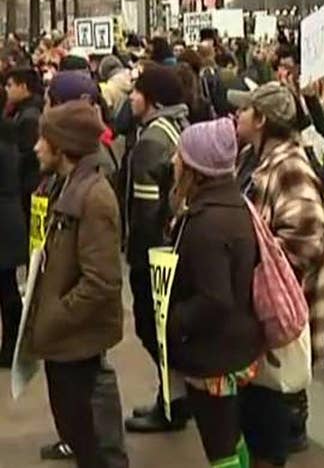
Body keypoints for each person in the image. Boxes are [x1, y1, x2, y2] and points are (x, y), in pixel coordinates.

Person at [231, 82, 324, 465]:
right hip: (260, 311)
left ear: (261, 119)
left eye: (245, 110)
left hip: (276, 312)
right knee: (256, 404)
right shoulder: (254, 157)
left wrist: (261, 271)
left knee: (267, 411)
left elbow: (307, 234)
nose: (237, 115)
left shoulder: (289, 165)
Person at [24, 100, 125, 468]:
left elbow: (102, 282)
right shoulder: (59, 186)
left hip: (77, 341)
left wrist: (54, 314)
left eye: (44, 139)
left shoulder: (94, 197)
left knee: (96, 443)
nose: (36, 147)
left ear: (63, 147)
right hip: (64, 343)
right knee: (79, 434)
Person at [167, 118, 264, 468]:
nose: (174, 162)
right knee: (229, 435)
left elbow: (215, 297)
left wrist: (173, 321)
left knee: (219, 443)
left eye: (180, 156)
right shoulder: (232, 205)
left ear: (196, 167)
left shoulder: (207, 222)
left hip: (214, 352)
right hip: (233, 343)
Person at [124, 63, 192, 433]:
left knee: (150, 327)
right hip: (174, 246)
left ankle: (173, 403)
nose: (130, 97)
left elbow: (146, 209)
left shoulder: (152, 140)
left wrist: (140, 258)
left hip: (154, 253)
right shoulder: (175, 127)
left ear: (151, 99)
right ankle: (175, 397)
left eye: (137, 92)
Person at [0, 99, 27, 368]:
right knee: (7, 286)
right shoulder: (9, 133)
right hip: (9, 218)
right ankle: (12, 345)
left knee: (7, 290)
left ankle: (11, 347)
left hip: (4, 222)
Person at [4, 67, 44, 222]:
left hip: (28, 185)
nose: (7, 90)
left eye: (10, 85)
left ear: (23, 87)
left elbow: (26, 154)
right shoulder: (21, 111)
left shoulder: (29, 118)